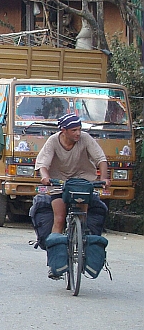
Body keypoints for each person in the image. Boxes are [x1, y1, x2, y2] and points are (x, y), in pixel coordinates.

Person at [36, 114, 110, 277]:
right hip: (59, 183)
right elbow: (43, 163)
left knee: (83, 217)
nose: (78, 133)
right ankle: (54, 262)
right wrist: (45, 176)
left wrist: (104, 178)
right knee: (59, 219)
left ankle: (83, 246)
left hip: (83, 181)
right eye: (74, 130)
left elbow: (100, 159)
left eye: (79, 130)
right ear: (63, 131)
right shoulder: (53, 141)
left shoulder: (85, 139)